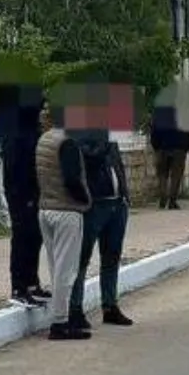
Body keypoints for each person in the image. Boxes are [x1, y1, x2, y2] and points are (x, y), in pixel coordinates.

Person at [35, 108, 94, 341]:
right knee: (66, 271)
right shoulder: (67, 142)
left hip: (46, 208)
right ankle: (60, 322)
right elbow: (72, 179)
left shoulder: (44, 139)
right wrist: (85, 200)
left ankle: (61, 318)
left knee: (55, 267)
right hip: (67, 211)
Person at [73, 127, 133, 328]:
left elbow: (116, 163)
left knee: (112, 255)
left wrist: (124, 193)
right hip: (95, 203)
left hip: (117, 202)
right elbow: (90, 160)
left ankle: (110, 305)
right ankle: (75, 309)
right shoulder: (80, 133)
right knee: (82, 257)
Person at [4, 101, 51, 306]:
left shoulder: (33, 132)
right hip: (21, 195)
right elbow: (16, 169)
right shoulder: (18, 135)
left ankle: (32, 283)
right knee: (22, 239)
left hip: (35, 193)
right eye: (41, 109)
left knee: (35, 238)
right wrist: (25, 195)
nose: (43, 113)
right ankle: (18, 287)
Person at [150, 105, 189, 210]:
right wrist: (187, 146)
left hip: (162, 148)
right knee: (176, 176)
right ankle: (172, 201)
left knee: (162, 174)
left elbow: (154, 131)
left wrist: (156, 146)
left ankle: (163, 198)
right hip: (179, 148)